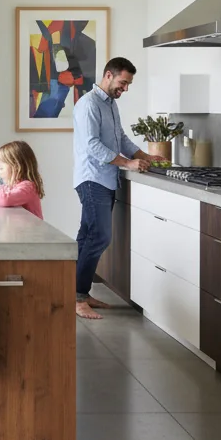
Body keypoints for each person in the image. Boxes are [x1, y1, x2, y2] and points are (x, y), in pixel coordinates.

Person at [73, 57, 156, 320]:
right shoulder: (88, 104)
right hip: (92, 179)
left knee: (87, 237)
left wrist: (145, 155)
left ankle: (78, 294)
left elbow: (119, 138)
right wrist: (128, 163)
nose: (126, 88)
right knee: (99, 237)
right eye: (123, 82)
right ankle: (77, 297)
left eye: (128, 84)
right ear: (108, 75)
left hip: (105, 179)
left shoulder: (110, 105)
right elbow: (92, 146)